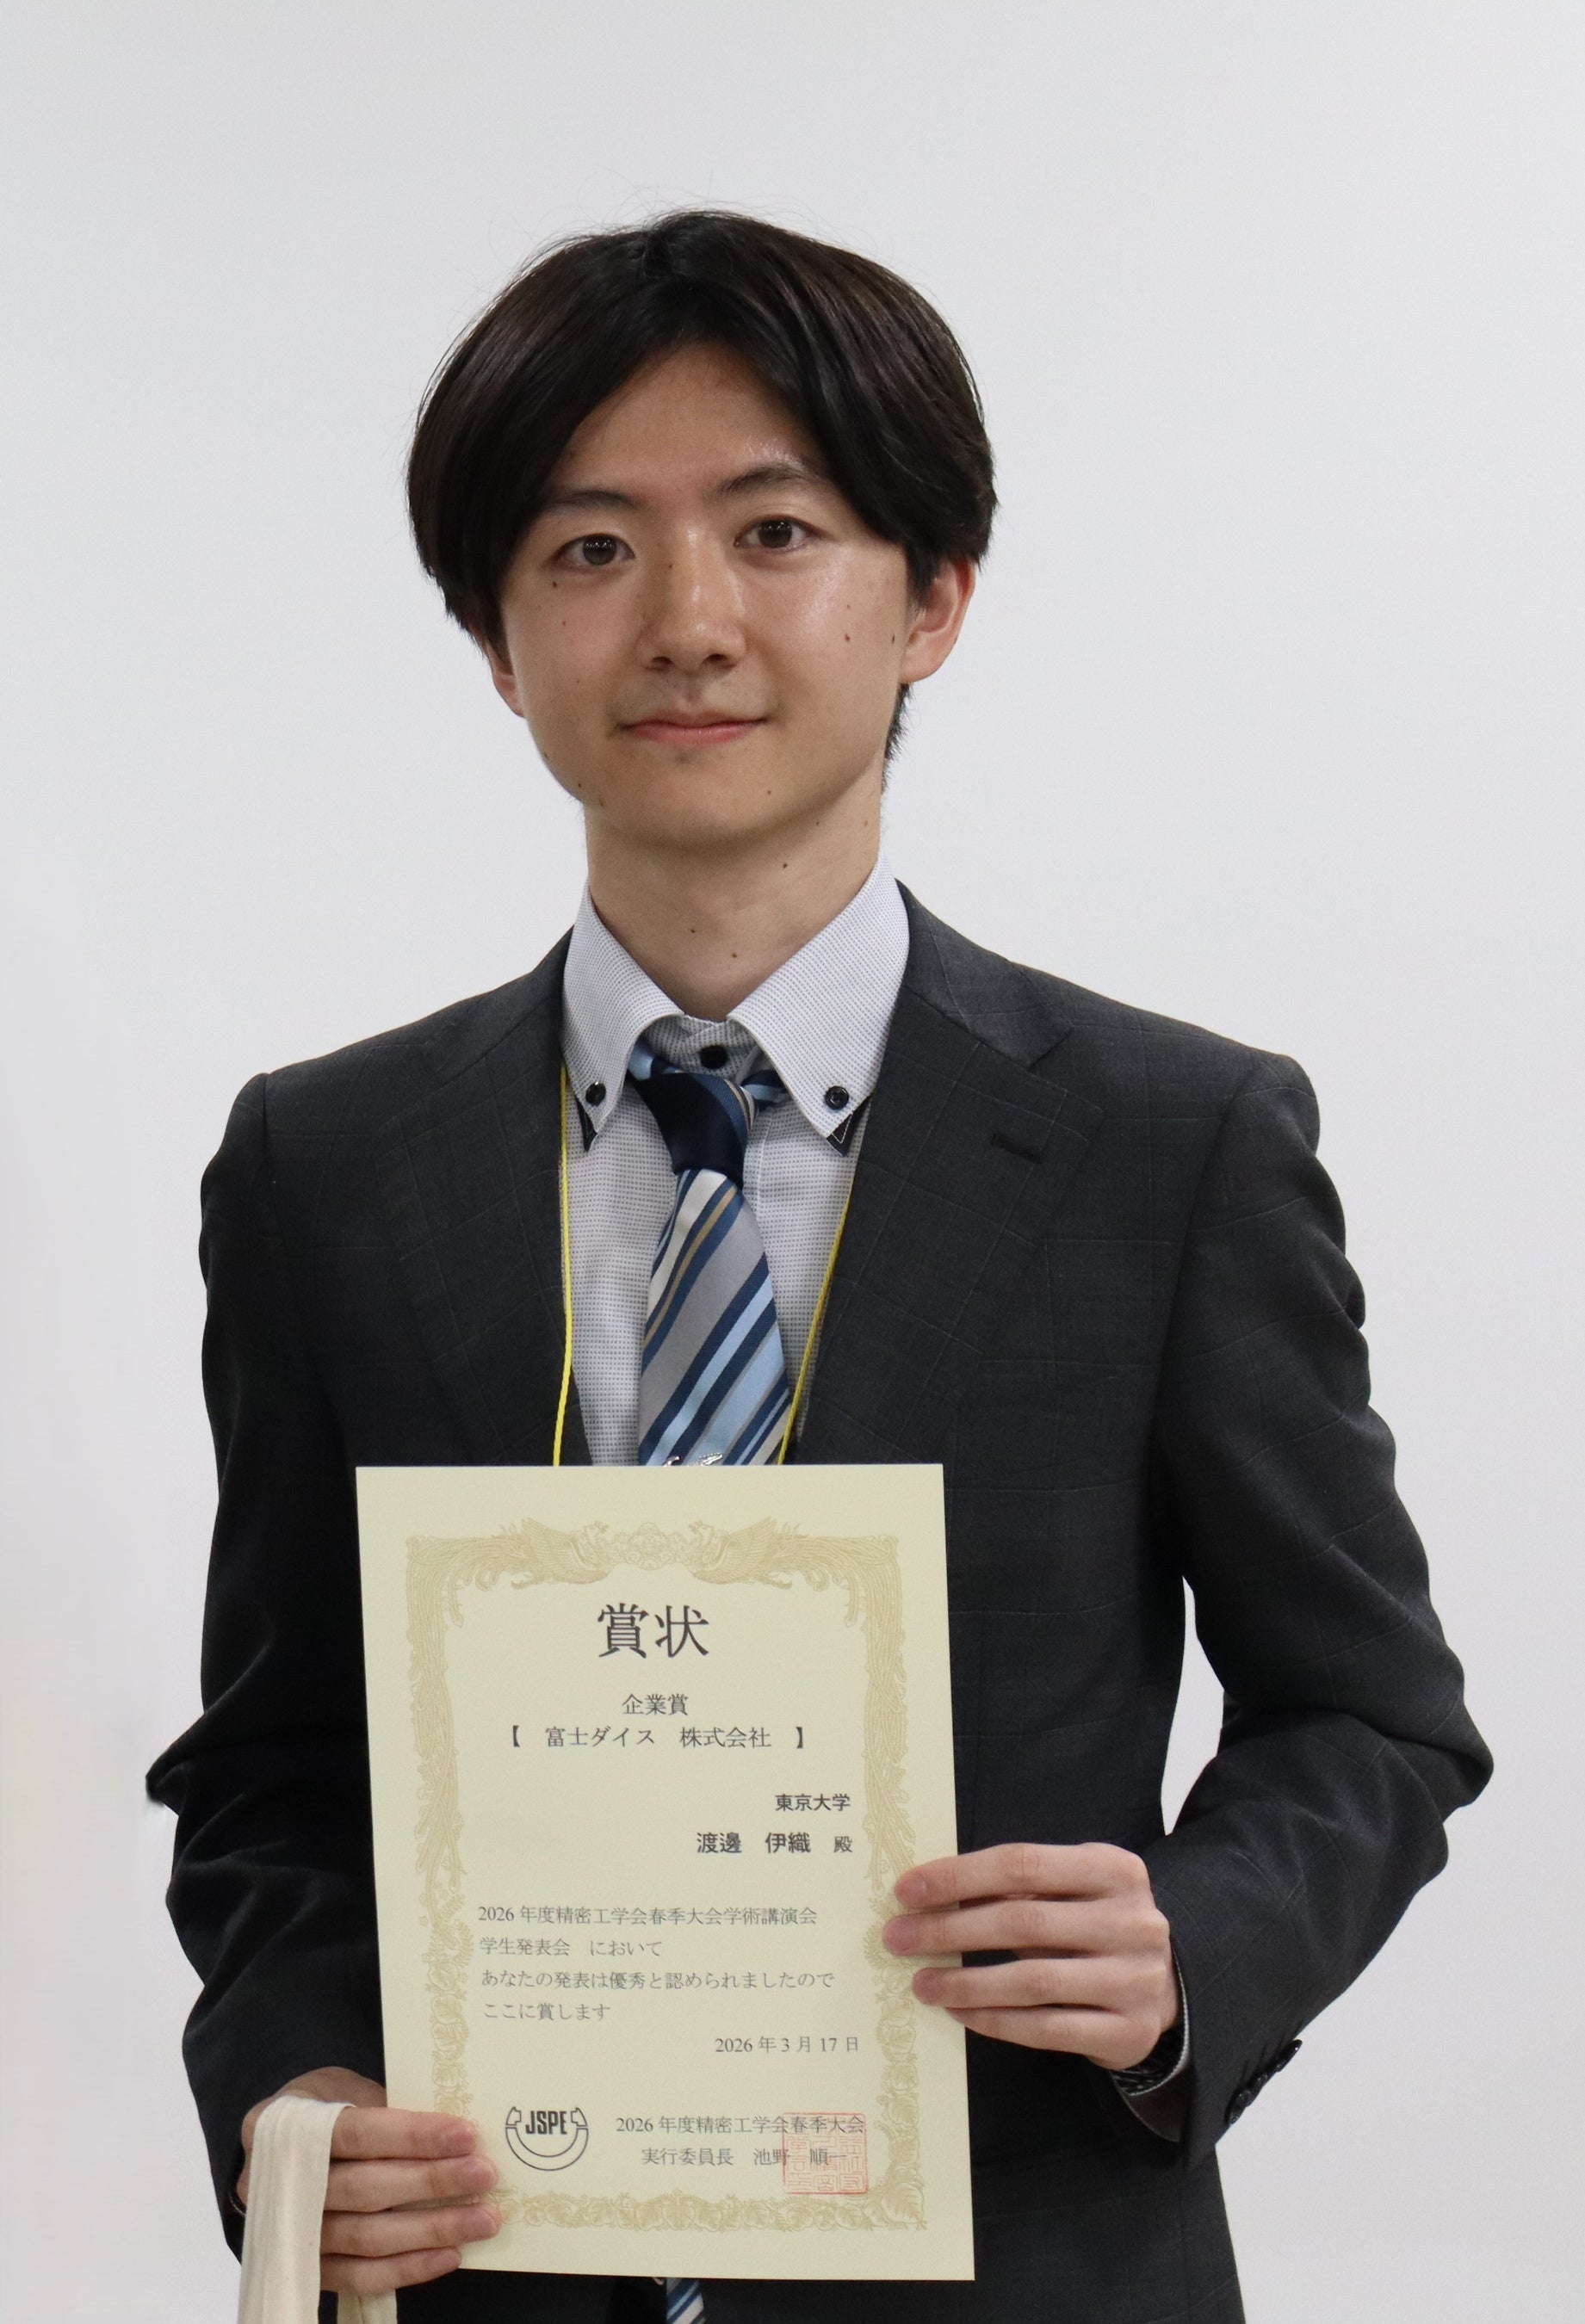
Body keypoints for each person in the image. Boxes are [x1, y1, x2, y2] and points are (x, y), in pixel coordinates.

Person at [147, 211, 1490, 2324]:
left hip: (1026, 2263)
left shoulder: (1175, 1143)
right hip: (507, 2261)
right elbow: (277, 1765)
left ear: (933, 597)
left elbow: (1372, 1718)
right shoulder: (325, 1166)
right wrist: (297, 2091)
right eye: (590, 549)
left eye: (776, 533)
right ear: (498, 638)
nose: (687, 621)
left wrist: (1190, 1944)